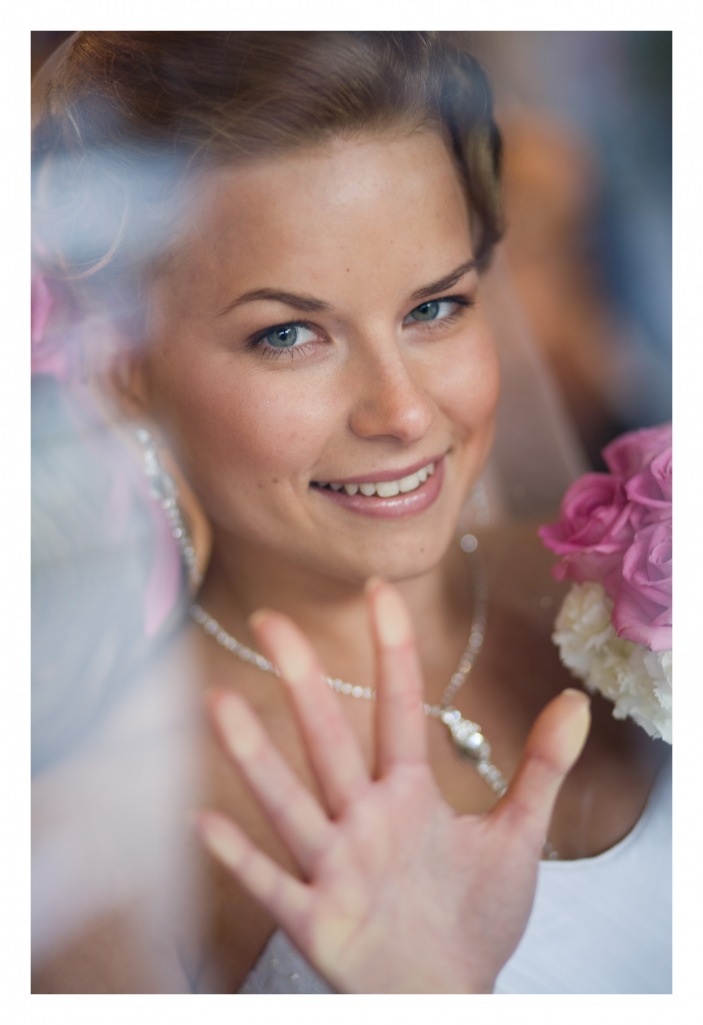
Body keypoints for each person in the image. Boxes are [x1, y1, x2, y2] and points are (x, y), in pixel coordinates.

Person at [31, 31, 671, 994]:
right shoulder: (103, 835)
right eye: (289, 333)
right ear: (127, 371)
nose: (402, 412)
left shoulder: (641, 579)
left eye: (434, 309)